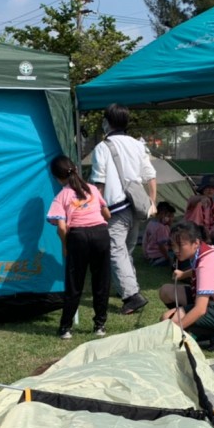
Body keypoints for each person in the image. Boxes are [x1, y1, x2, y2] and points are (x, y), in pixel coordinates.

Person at [89, 103, 157, 315]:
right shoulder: (137, 145)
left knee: (116, 251)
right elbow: (150, 176)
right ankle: (128, 288)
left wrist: (95, 206)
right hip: (137, 205)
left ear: (107, 122)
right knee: (126, 250)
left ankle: (131, 295)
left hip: (115, 207)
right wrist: (152, 202)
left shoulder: (102, 147)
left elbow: (98, 182)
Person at [46, 155, 112, 340]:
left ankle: (66, 328)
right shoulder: (92, 189)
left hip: (78, 237)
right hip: (100, 234)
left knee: (75, 284)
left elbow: (61, 226)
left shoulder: (61, 196)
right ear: (75, 168)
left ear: (58, 178)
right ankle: (100, 325)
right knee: (101, 281)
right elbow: (107, 213)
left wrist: (66, 246)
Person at [159, 221, 214, 351]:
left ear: (196, 243)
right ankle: (194, 327)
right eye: (173, 245)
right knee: (166, 291)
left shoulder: (207, 263)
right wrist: (183, 274)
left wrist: (175, 329)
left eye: (180, 245)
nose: (176, 250)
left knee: (167, 319)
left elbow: (200, 309)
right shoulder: (204, 250)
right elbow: (199, 270)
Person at [186, 176, 214, 248]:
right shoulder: (195, 200)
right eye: (207, 188)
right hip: (195, 235)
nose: (210, 190)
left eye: (213, 188)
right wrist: (202, 198)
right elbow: (192, 200)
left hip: (209, 236)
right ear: (203, 189)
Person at [143, 202, 175, 267]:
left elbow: (145, 240)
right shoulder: (161, 228)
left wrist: (145, 253)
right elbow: (161, 246)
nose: (172, 219)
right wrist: (168, 258)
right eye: (169, 216)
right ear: (162, 214)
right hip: (159, 256)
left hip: (150, 255)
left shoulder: (151, 223)